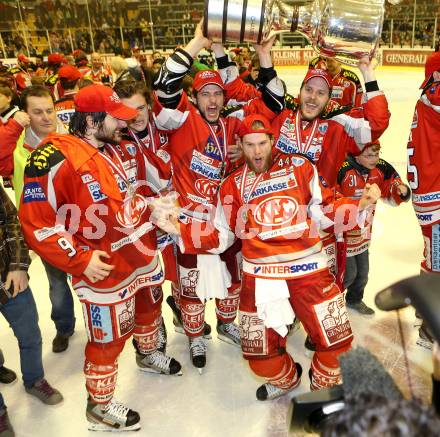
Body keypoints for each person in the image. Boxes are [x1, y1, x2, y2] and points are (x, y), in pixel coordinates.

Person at [165, 113, 380, 400]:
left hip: (308, 271)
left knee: (337, 344)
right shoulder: (230, 185)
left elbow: (324, 210)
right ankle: (288, 378)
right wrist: (180, 229)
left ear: (272, 141)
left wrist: (359, 203)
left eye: (262, 143)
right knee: (260, 358)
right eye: (250, 144)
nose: (257, 152)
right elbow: (221, 237)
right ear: (240, 144)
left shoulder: (301, 167)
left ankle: (321, 390)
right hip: (261, 278)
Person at [19, 84, 181, 432]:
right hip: (103, 270)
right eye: (116, 118)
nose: (125, 124)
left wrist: (154, 211)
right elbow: (36, 221)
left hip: (142, 256)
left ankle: (148, 354)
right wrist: (78, 260)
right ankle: (100, 406)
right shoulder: (52, 157)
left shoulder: (118, 146)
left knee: (150, 312)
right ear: (91, 122)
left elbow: (129, 197)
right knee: (108, 340)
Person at [153, 23, 284, 372]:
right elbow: (164, 86)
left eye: (217, 93)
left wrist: (263, 54)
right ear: (194, 97)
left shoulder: (233, 124)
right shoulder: (181, 120)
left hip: (228, 221)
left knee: (232, 281)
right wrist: (200, 41)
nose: (212, 100)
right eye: (205, 93)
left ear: (225, 98)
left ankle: (226, 325)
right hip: (190, 224)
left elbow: (272, 103)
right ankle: (196, 335)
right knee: (191, 289)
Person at [0, 85, 75, 353]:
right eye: (37, 112)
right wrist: (11, 128)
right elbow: (1, 163)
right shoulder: (16, 143)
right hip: (42, 230)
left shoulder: (69, 139)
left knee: (88, 280)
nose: (46, 117)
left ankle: (98, 325)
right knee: (56, 284)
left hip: (76, 224)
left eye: (49, 110)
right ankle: (64, 326)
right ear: (25, 114)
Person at [0, 183, 63, 437]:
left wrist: (18, 265)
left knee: (30, 335)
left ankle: (35, 380)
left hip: (8, 277)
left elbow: (12, 220)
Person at [337, 141, 411, 315]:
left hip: (363, 234)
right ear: (355, 154)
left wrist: (400, 189)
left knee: (363, 273)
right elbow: (329, 197)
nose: (375, 159)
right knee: (348, 274)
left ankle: (354, 299)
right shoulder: (341, 169)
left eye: (376, 154)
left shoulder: (381, 167)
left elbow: (391, 183)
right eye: (368, 155)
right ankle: (331, 303)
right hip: (341, 235)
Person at [406, 51, 440, 350]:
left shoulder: (427, 98)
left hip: (430, 194)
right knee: (438, 262)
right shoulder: (435, 97)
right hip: (435, 198)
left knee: (435, 258)